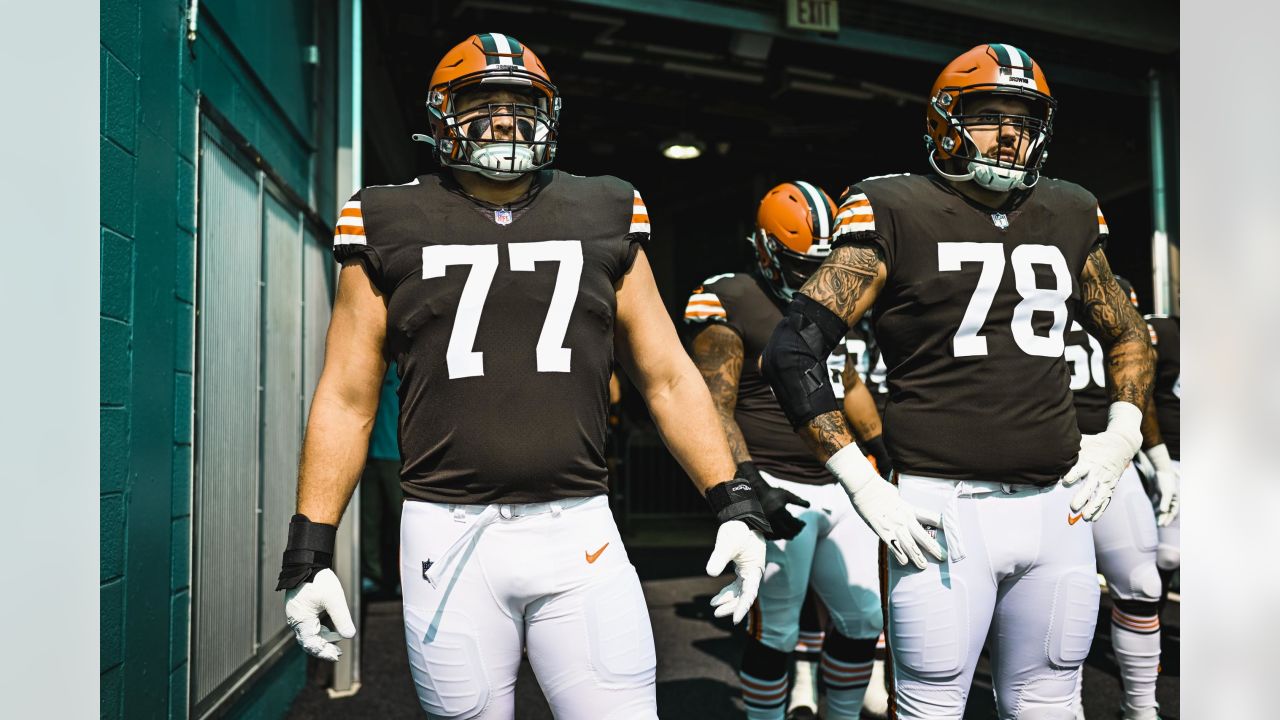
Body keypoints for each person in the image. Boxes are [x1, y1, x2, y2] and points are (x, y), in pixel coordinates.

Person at [272, 33, 769, 719]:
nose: (506, 119)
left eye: (522, 102)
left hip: (580, 530)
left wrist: (732, 499)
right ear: (443, 114)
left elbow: (668, 377)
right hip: (447, 537)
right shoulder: (386, 216)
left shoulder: (606, 206)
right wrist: (310, 544)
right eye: (483, 101)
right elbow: (348, 397)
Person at [760, 43, 1157, 719]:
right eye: (987, 115)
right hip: (942, 507)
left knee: (1052, 701)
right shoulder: (894, 206)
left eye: (1022, 118)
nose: (1008, 133)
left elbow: (1126, 329)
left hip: (1056, 504)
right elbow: (793, 348)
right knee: (933, 703)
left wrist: (1123, 432)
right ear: (945, 120)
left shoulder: (1069, 211)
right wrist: (859, 478)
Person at [684, 182, 888, 720]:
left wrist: (882, 455)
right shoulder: (730, 297)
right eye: (801, 264)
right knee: (776, 628)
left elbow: (849, 384)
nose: (812, 276)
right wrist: (748, 482)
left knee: (864, 619)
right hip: (778, 479)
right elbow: (713, 406)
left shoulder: (840, 292)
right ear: (765, 248)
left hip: (842, 481)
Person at [1064, 275, 1178, 720]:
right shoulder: (1026, 284)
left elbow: (1137, 391)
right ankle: (1065, 707)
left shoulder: (1118, 297)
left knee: (1143, 585)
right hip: (1051, 463)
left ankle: (1140, 708)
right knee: (1062, 598)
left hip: (1113, 461)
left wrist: (1158, 458)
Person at [360, 362, 404, 597]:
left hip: (394, 454)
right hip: (368, 454)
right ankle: (372, 575)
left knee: (400, 520)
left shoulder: (399, 365)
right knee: (369, 520)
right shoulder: (368, 364)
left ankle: (403, 577)